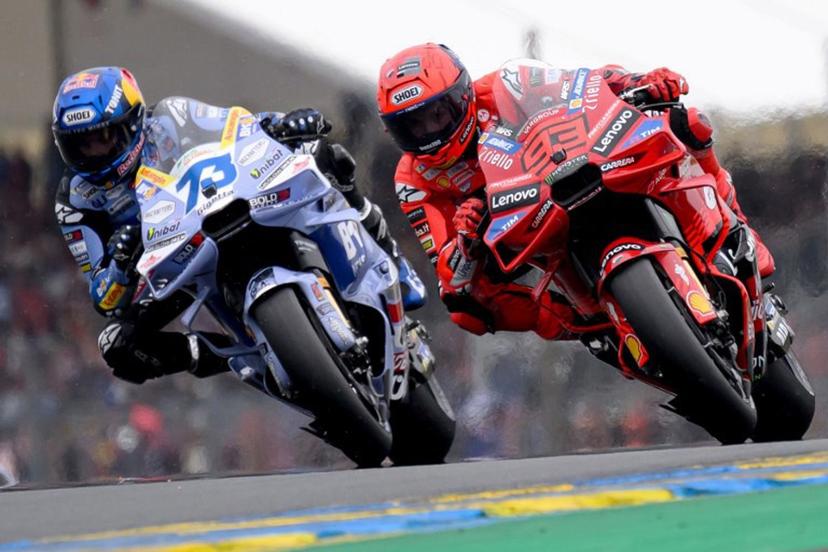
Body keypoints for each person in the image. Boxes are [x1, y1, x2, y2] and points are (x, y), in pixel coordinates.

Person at [53, 66, 424, 385]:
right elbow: (104, 298)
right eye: (80, 145)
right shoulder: (74, 200)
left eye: (103, 137)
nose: (94, 152)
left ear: (132, 120)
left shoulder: (172, 118)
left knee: (326, 155)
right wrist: (120, 263)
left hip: (224, 207)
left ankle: (394, 265)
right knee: (117, 345)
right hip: (169, 264)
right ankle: (228, 358)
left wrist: (282, 124)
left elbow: (239, 125)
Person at [376, 43, 775, 337]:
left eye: (436, 115)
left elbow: (584, 85)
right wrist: (465, 243)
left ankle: (734, 228)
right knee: (467, 311)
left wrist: (641, 82)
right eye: (412, 126)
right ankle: (585, 327)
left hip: (571, 170)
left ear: (461, 95)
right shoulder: (413, 180)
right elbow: (450, 279)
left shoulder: (505, 85)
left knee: (688, 121)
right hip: (522, 233)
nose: (428, 133)